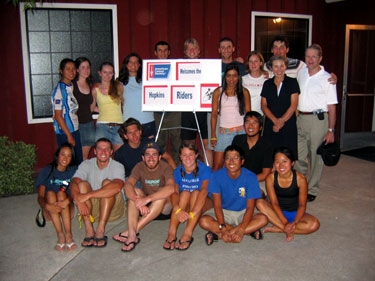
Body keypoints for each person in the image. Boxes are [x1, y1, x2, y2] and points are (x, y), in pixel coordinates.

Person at [199, 145, 268, 245]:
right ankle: (249, 231)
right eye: (228, 158)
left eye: (235, 158)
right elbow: (217, 206)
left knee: (263, 219)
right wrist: (223, 227)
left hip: (243, 211)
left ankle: (219, 235)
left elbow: (250, 207)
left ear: (242, 161)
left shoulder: (251, 177)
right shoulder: (216, 176)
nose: (231, 162)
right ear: (224, 161)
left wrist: (240, 230)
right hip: (224, 211)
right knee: (203, 221)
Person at [295, 44, 338, 202]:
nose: (311, 59)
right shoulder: (301, 73)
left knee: (315, 156)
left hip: (318, 121)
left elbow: (332, 107)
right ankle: (300, 184)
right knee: (298, 155)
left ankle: (311, 189)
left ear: (320, 58)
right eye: (308, 56)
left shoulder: (327, 79)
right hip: (300, 118)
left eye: (314, 56)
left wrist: (331, 130)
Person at [116, 141, 175, 252]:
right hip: (147, 209)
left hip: (164, 209)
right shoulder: (139, 166)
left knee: (162, 192)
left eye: (154, 154)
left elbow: (171, 188)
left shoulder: (166, 167)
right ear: (143, 157)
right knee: (136, 191)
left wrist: (147, 199)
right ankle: (133, 236)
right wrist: (137, 200)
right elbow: (128, 184)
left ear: (160, 157)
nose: (151, 158)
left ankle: (132, 230)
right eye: (148, 154)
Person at [70, 138, 126, 248]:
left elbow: (117, 187)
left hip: (113, 209)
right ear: (95, 151)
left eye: (107, 149)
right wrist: (79, 200)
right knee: (81, 184)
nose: (103, 152)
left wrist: (87, 196)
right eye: (100, 149)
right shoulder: (86, 164)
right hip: (91, 211)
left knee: (107, 184)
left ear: (111, 152)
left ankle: (100, 229)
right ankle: (89, 229)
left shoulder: (117, 166)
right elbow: (73, 182)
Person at [256, 147, 320, 242]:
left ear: (292, 163)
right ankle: (284, 228)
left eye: (284, 161)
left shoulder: (300, 179)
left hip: (295, 213)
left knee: (314, 224)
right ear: (274, 164)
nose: (281, 165)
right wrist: (285, 223)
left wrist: (295, 222)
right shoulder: (270, 178)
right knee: (259, 202)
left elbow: (302, 205)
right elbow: (274, 203)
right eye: (277, 162)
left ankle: (279, 228)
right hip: (276, 213)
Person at [163, 143, 212, 250]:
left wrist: (193, 212)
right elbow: (175, 193)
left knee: (196, 192)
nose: (188, 158)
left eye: (191, 154)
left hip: (204, 203)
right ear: (180, 156)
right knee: (184, 193)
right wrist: (177, 210)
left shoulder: (205, 169)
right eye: (184, 155)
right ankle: (171, 232)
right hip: (187, 203)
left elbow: (204, 191)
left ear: (196, 155)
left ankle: (188, 232)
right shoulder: (177, 171)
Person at [36, 143, 77, 251]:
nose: (65, 158)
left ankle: (68, 234)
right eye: (63, 154)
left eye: (69, 156)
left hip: (67, 208)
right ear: (57, 155)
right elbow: (40, 196)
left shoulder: (74, 170)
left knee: (61, 193)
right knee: (50, 193)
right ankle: (60, 235)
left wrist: (67, 201)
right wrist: (47, 206)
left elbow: (74, 192)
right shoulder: (47, 170)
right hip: (50, 208)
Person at [211, 63, 251, 171]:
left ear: (238, 77)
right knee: (217, 166)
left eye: (234, 75)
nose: (231, 79)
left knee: (240, 165)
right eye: (228, 76)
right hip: (224, 133)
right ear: (225, 77)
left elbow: (248, 115)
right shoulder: (218, 92)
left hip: (241, 133)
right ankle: (215, 188)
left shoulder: (244, 92)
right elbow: (214, 115)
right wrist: (213, 135)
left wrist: (249, 134)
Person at [261, 56, 300, 158]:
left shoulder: (292, 82)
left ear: (285, 66)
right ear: (271, 68)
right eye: (276, 66)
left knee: (287, 156)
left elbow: (293, 105)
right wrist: (275, 121)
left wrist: (281, 121)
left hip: (288, 124)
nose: (279, 70)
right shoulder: (267, 84)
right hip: (271, 124)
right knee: (270, 155)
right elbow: (264, 105)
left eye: (282, 66)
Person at [180, 38, 211, 165]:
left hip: (204, 110)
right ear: (185, 52)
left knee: (207, 144)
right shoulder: (179, 67)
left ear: (199, 51)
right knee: (188, 144)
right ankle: (189, 171)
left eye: (194, 48)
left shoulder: (207, 66)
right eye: (189, 48)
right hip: (187, 110)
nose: (192, 51)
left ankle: (209, 174)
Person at [232, 111, 273, 195]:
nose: (250, 126)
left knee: (255, 194)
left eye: (254, 123)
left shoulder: (267, 144)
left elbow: (265, 174)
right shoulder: (237, 140)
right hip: (238, 178)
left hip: (258, 180)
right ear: (244, 126)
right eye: (247, 122)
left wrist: (246, 180)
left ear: (260, 127)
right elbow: (231, 163)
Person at [265, 35, 337, 83]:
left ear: (287, 49)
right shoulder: (266, 67)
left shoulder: (297, 65)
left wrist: (331, 76)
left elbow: (313, 69)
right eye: (275, 47)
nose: (278, 51)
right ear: (272, 50)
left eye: (281, 47)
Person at [153, 41, 181, 163]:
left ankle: (178, 169)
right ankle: (162, 170)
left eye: (165, 50)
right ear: (155, 53)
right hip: (158, 112)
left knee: (177, 142)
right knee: (160, 143)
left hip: (174, 110)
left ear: (169, 52)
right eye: (160, 50)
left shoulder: (176, 67)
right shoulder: (150, 69)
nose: (163, 53)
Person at [51, 58, 83, 164]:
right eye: (68, 69)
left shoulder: (70, 86)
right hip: (65, 132)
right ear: (61, 71)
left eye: (73, 69)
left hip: (75, 129)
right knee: (69, 161)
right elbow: (58, 116)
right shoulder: (59, 90)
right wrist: (69, 135)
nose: (71, 71)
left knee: (77, 160)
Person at [118, 52, 156, 140]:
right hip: (129, 124)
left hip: (147, 121)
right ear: (126, 64)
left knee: (149, 150)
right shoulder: (119, 83)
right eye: (131, 62)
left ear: (139, 65)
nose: (133, 64)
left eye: (136, 62)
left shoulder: (148, 80)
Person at [93, 62, 124, 151]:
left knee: (119, 157)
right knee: (102, 155)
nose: (107, 75)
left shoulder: (119, 87)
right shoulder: (95, 89)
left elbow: (123, 104)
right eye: (105, 72)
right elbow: (90, 108)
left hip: (118, 125)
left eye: (110, 72)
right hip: (102, 126)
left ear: (113, 74)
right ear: (100, 73)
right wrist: (102, 110)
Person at [73, 57, 96, 160]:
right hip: (75, 125)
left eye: (88, 67)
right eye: (83, 67)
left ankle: (82, 176)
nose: (86, 70)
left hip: (88, 124)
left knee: (84, 157)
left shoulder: (91, 85)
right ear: (77, 70)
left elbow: (91, 107)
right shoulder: (71, 85)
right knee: (75, 155)